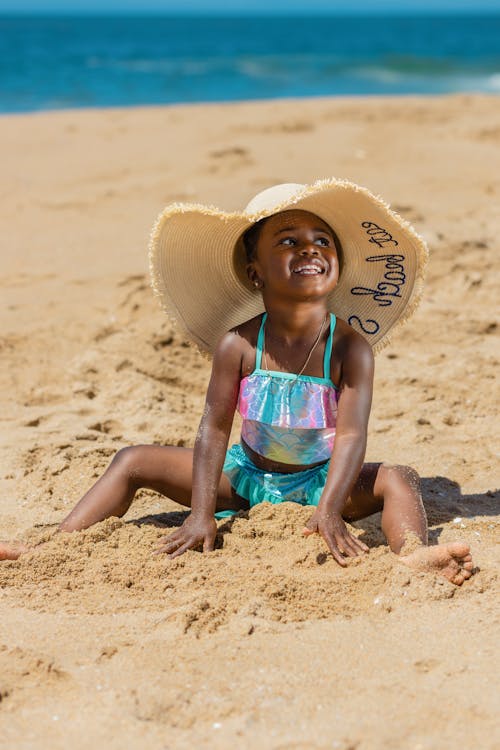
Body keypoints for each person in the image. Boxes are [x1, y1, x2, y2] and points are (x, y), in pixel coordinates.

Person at [0, 179, 474, 585]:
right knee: (131, 460)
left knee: (397, 477)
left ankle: (411, 555)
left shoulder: (350, 348)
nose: (309, 248)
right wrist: (201, 511)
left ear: (336, 267)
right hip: (243, 476)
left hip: (319, 480)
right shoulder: (240, 344)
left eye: (323, 241)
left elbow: (351, 434)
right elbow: (213, 428)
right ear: (255, 271)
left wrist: (329, 507)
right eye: (288, 241)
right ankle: (54, 548)